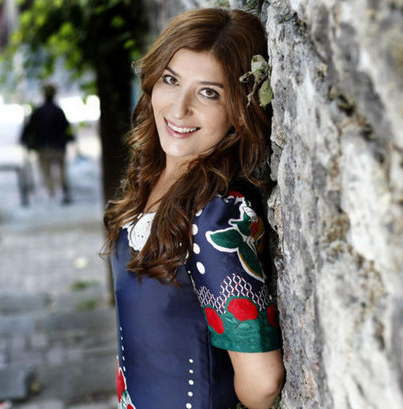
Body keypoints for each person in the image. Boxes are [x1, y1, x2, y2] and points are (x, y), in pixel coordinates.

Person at [103, 7, 285, 409]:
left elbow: (263, 381)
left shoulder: (215, 218)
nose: (178, 108)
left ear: (240, 108)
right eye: (171, 80)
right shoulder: (151, 178)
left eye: (209, 92)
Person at [20, 83, 74, 204]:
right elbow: (67, 129)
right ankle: (62, 191)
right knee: (61, 170)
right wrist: (70, 139)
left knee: (46, 172)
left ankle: (51, 193)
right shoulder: (58, 111)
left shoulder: (38, 112)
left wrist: (25, 141)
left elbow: (29, 129)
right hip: (58, 147)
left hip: (43, 147)